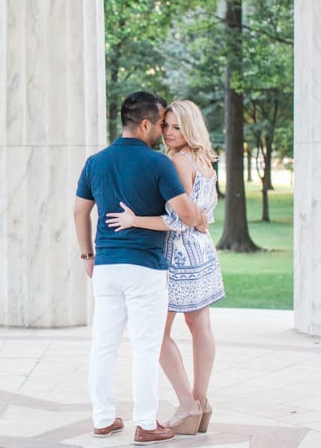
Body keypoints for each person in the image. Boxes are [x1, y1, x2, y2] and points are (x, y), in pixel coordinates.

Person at [74, 92, 208, 445]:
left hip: (105, 266)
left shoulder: (95, 161)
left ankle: (103, 419)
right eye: (160, 122)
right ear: (146, 123)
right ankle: (146, 423)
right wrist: (200, 218)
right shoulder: (158, 163)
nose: (162, 130)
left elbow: (79, 211)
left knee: (103, 344)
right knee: (146, 346)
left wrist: (87, 256)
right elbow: (186, 212)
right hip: (145, 267)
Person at [105, 99, 225, 436]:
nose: (169, 133)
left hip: (177, 255)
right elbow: (204, 215)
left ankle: (187, 403)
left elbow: (176, 220)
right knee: (200, 326)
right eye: (166, 125)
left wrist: (133, 219)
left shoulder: (177, 161)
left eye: (176, 127)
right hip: (203, 251)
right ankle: (201, 402)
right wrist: (199, 221)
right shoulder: (206, 162)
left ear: (189, 128)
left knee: (157, 332)